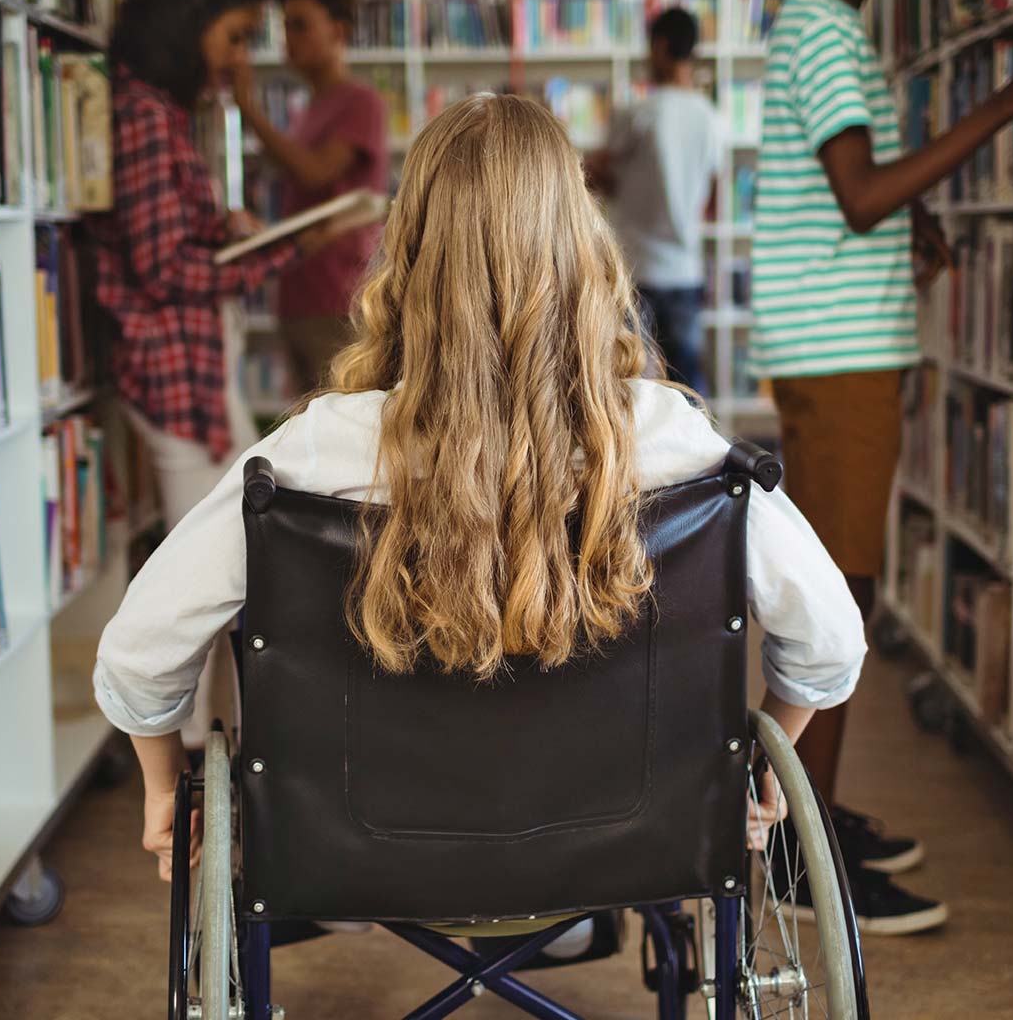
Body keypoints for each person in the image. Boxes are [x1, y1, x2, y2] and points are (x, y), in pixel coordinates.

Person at [94, 95, 868, 906]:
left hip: (365, 847)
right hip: (628, 834)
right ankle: (562, 911)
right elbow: (830, 643)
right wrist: (756, 756)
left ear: (409, 252)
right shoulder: (676, 443)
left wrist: (160, 785)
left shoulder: (312, 454)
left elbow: (139, 655)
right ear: (581, 244)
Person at [752, 0, 1013, 932]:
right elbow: (858, 195)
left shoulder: (833, 28)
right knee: (838, 592)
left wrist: (918, 216)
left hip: (842, 344)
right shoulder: (820, 28)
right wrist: (1010, 100)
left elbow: (851, 192)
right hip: (836, 351)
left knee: (844, 586)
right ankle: (795, 853)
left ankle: (810, 811)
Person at [101, 0, 344, 746]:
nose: (241, 56)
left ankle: (226, 738)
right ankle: (207, 749)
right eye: (236, 35)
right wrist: (281, 250)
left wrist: (228, 230)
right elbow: (165, 268)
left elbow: (173, 238)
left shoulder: (166, 112)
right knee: (204, 578)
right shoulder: (141, 112)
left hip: (198, 368)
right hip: (175, 373)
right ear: (193, 19)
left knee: (228, 555)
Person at [235, 0, 391, 393]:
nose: (289, 37)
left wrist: (247, 108)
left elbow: (314, 172)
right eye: (285, 25)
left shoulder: (362, 103)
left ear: (338, 32)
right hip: (300, 290)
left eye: (301, 25)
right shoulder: (310, 107)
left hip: (339, 296)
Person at [588, 8, 726, 394]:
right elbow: (713, 198)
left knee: (633, 386)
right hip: (686, 270)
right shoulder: (712, 119)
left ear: (662, 47)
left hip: (637, 270)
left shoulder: (638, 114)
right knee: (689, 386)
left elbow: (595, 177)